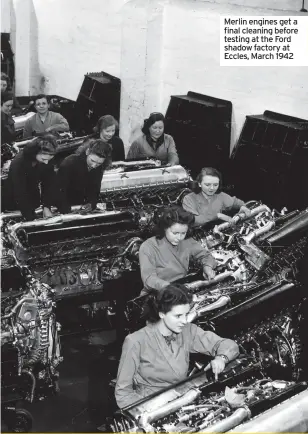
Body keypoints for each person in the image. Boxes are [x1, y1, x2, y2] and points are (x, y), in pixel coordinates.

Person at [115, 284, 239, 408]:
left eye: (186, 314)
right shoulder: (135, 341)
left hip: (183, 401)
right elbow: (123, 393)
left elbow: (229, 345)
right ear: (162, 314)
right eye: (178, 316)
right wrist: (148, 411)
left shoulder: (187, 331)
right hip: (152, 407)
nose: (184, 321)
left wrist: (221, 358)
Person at [139, 206, 217, 294]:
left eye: (183, 233)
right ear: (164, 229)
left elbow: (205, 255)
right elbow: (149, 279)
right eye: (175, 233)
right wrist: (169, 288)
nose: (179, 238)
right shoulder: (148, 247)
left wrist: (208, 267)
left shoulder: (187, 241)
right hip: (157, 293)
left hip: (181, 288)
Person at [4, 134, 57, 220]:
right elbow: (20, 193)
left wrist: (47, 206)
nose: (47, 162)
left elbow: (48, 183)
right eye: (44, 159)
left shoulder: (47, 157)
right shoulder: (18, 164)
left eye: (49, 159)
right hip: (13, 204)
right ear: (35, 152)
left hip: (33, 198)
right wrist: (31, 218)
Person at [56, 138, 111, 214]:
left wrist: (92, 204)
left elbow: (95, 189)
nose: (94, 165)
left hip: (83, 208)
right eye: (92, 160)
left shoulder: (99, 168)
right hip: (65, 207)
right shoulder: (69, 163)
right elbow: (59, 191)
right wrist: (66, 210)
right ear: (87, 151)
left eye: (99, 163)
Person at [182, 167, 251, 227]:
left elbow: (235, 202)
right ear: (199, 184)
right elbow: (194, 221)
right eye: (207, 185)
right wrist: (217, 215)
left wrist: (242, 206)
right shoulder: (188, 199)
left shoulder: (220, 195)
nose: (212, 188)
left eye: (215, 185)